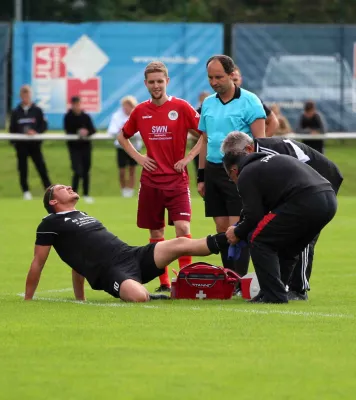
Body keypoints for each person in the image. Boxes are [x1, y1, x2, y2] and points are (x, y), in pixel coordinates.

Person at [24, 184, 228, 302]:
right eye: (61, 188)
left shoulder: (81, 214)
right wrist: (28, 300)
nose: (68, 187)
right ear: (53, 202)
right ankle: (150, 295)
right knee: (138, 297)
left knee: (180, 242)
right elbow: (38, 262)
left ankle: (228, 239)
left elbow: (78, 261)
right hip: (111, 272)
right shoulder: (49, 223)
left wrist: (80, 299)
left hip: (132, 255)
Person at [222, 131, 343, 298]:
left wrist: (238, 232)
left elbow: (254, 215)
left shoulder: (248, 171)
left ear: (234, 168)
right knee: (288, 244)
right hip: (323, 195)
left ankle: (289, 291)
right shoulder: (263, 160)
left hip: (314, 190)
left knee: (259, 239)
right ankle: (280, 290)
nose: (232, 182)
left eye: (230, 177)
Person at [116, 61, 203, 293]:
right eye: (152, 82)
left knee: (183, 229)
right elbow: (122, 136)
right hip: (151, 183)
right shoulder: (140, 111)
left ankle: (186, 280)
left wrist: (188, 158)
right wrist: (139, 158)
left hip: (176, 181)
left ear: (167, 82)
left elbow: (204, 133)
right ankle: (164, 283)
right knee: (156, 234)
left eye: (160, 81)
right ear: (146, 84)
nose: (156, 86)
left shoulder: (182, 107)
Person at [197, 55, 266, 278]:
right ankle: (228, 276)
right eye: (210, 77)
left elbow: (260, 143)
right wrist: (201, 176)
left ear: (231, 74)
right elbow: (205, 141)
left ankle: (239, 279)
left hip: (240, 172)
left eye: (219, 77)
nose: (214, 82)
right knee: (220, 227)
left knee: (237, 227)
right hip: (214, 171)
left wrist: (254, 176)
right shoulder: (207, 103)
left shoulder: (250, 101)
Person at [9, 84, 52, 200]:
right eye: (23, 95)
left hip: (35, 145)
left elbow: (44, 126)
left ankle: (49, 191)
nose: (25, 97)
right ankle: (26, 191)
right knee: (23, 169)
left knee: (41, 168)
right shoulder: (16, 112)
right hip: (21, 145)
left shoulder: (37, 110)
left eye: (27, 94)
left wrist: (36, 132)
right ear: (20, 96)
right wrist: (15, 142)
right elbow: (12, 129)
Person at [107, 95, 141, 198]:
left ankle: (130, 192)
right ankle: (123, 190)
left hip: (134, 147)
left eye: (128, 106)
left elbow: (141, 132)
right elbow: (112, 131)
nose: (126, 108)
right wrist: (121, 133)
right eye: (124, 106)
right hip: (121, 147)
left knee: (132, 169)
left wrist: (129, 133)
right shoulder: (117, 116)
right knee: (122, 170)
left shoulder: (138, 115)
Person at [64, 96, 96, 203]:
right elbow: (67, 130)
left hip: (86, 147)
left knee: (86, 170)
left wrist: (87, 132)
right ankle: (73, 195)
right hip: (74, 148)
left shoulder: (86, 116)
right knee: (77, 171)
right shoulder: (68, 117)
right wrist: (77, 132)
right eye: (74, 104)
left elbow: (93, 129)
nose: (76, 106)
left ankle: (86, 194)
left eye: (78, 104)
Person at [231, 66, 279, 136]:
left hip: (245, 146)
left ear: (240, 80)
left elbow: (273, 122)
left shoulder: (252, 100)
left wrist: (260, 143)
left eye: (235, 80)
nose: (233, 83)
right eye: (230, 80)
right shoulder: (213, 100)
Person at [190, 90, 210, 174]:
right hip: (198, 144)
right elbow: (190, 127)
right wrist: (201, 137)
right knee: (199, 170)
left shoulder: (213, 111)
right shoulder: (196, 112)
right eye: (202, 98)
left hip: (211, 147)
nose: (204, 100)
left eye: (206, 98)